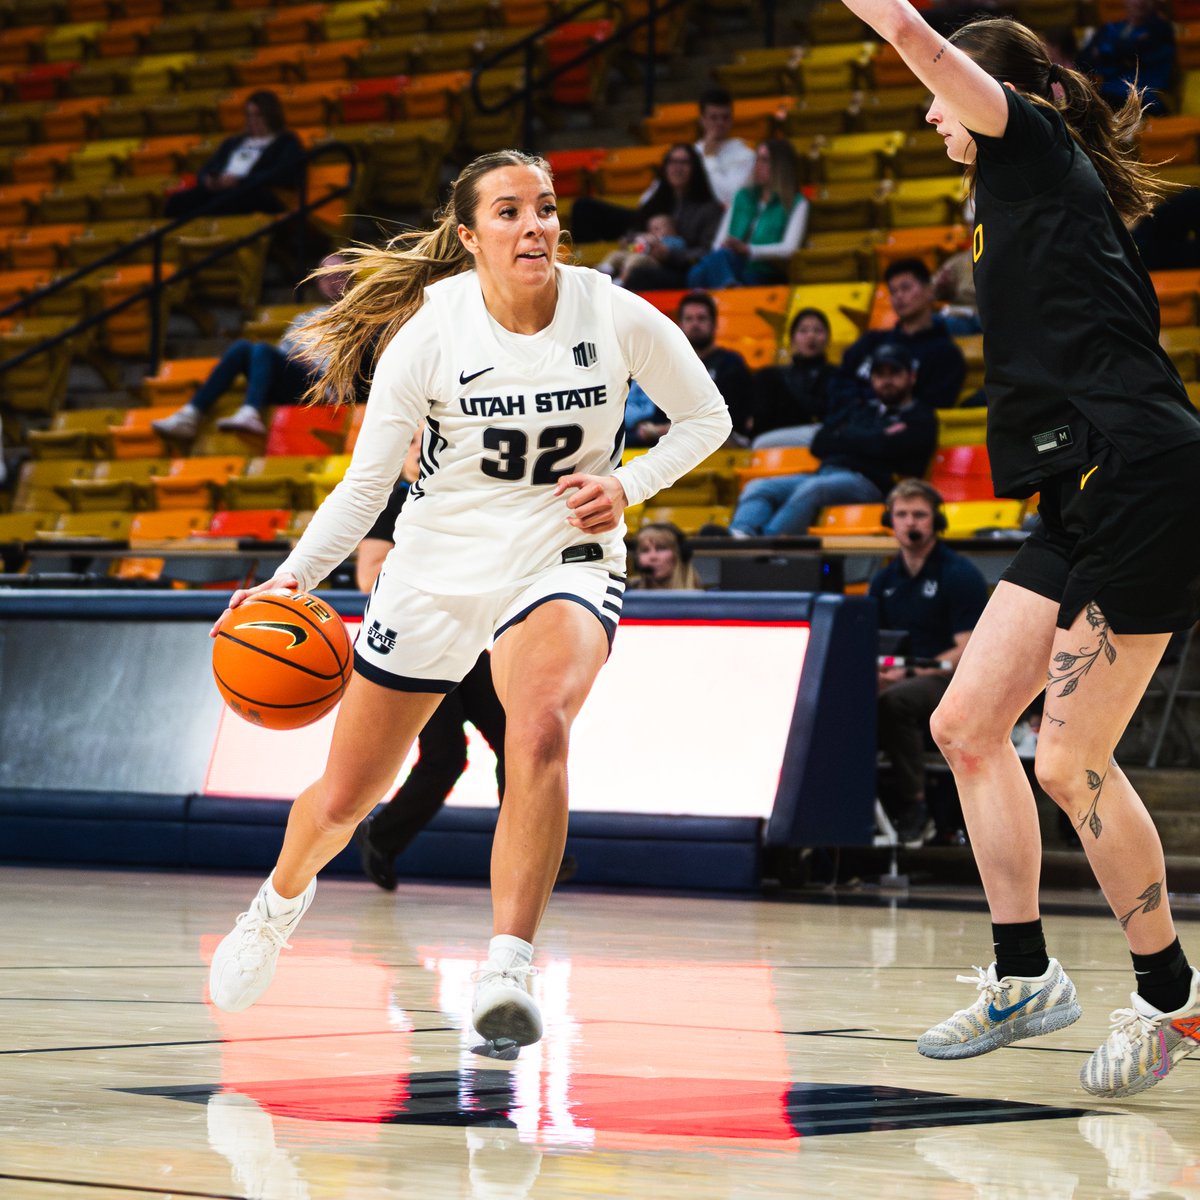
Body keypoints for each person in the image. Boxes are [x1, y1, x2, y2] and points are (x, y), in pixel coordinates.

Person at [204, 149, 732, 1051]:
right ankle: (277, 903)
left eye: (547, 209)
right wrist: (293, 577)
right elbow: (367, 486)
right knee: (345, 796)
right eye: (510, 212)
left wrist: (630, 486)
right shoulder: (431, 332)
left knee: (539, 730)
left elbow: (707, 417)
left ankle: (506, 967)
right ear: (470, 235)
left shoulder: (609, 309)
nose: (535, 226)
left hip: (561, 554)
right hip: (438, 568)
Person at [837, 0, 1200, 1097]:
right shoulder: (1014, 189)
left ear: (986, 97)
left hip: (1142, 475)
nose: (932, 120)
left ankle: (1173, 1002)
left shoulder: (1032, 147)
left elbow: (916, 35)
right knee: (964, 722)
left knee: (1069, 760)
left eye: (939, 103)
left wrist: (894, 20)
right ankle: (1023, 974)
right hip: (1077, 490)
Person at [352, 466, 507, 892]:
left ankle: (530, 843)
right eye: (415, 441)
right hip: (412, 643)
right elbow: (369, 575)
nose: (425, 448)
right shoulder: (395, 504)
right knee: (445, 756)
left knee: (520, 740)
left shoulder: (468, 497)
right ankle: (380, 835)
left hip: (465, 639)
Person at [871, 480, 989, 845]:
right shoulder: (884, 579)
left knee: (895, 702)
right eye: (902, 514)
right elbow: (873, 639)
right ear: (889, 520)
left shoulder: (958, 574)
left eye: (919, 515)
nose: (910, 523)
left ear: (935, 520)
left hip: (950, 677)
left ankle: (916, 806)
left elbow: (968, 646)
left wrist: (913, 669)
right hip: (899, 674)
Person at [727, 342, 936, 536]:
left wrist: (848, 437)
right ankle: (739, 536)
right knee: (759, 486)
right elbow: (820, 443)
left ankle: (766, 545)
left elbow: (894, 450)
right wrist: (875, 437)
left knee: (813, 489)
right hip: (826, 473)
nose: (887, 380)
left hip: (871, 483)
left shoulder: (921, 416)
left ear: (912, 376)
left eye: (895, 373)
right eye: (880, 374)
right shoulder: (860, 408)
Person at [152, 252, 353, 441]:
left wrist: (311, 364)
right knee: (242, 348)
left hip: (325, 390)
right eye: (326, 276)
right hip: (293, 383)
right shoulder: (304, 319)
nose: (333, 281)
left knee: (262, 350)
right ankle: (191, 414)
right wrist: (297, 359)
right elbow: (282, 355)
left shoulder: (360, 319)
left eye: (340, 275)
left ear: (351, 279)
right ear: (318, 282)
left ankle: (250, 411)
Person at [841, 258, 967, 410]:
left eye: (906, 288)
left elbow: (931, 408)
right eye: (893, 291)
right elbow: (839, 381)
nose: (899, 296)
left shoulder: (946, 354)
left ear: (929, 290)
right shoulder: (871, 341)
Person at [569, 142, 722, 263]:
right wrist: (637, 241)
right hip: (644, 252)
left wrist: (670, 254)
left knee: (639, 273)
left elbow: (708, 251)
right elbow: (632, 235)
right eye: (672, 162)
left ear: (695, 169)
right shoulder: (658, 199)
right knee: (583, 207)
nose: (677, 168)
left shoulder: (707, 208)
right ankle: (583, 261)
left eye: (684, 163)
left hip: (675, 266)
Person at [687, 139, 809, 289]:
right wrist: (729, 245)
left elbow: (789, 248)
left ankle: (728, 290)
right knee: (697, 271)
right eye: (756, 159)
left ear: (781, 166)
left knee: (702, 272)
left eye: (765, 160)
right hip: (732, 265)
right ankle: (730, 287)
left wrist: (748, 250)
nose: (758, 166)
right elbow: (717, 245)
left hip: (765, 272)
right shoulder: (741, 197)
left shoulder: (797, 202)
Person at [164, 90, 305, 219]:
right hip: (224, 187)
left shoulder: (286, 141)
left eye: (258, 115)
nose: (253, 121)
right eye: (249, 115)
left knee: (224, 201)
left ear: (272, 116)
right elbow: (207, 168)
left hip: (260, 192)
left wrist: (240, 180)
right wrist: (208, 179)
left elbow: (282, 173)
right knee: (178, 201)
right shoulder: (234, 142)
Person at [750, 307, 837, 447]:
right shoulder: (774, 375)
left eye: (818, 330)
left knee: (760, 444)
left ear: (828, 338)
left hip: (821, 432)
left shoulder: (837, 373)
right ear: (792, 338)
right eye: (803, 331)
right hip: (781, 433)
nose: (811, 336)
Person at [1078, 0, 1174, 116]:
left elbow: (1132, 52)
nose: (1140, 3)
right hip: (1108, 97)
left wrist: (1104, 52)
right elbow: (1083, 61)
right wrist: (1120, 56)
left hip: (1146, 100)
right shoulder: (1109, 28)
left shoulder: (1161, 29)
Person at [694, 86, 757, 207]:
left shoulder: (745, 154)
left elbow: (729, 197)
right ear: (702, 120)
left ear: (732, 119)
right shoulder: (690, 152)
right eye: (713, 117)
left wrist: (709, 158)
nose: (720, 123)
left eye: (725, 117)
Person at [595, 213, 688, 287]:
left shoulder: (674, 240)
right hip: (642, 257)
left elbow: (669, 253)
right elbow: (634, 249)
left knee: (636, 259)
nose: (653, 231)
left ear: (671, 229)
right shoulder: (648, 238)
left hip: (656, 264)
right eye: (650, 229)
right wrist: (628, 245)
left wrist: (656, 243)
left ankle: (621, 279)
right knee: (617, 254)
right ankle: (606, 268)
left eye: (657, 228)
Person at [628, 522, 701, 590]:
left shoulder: (705, 601)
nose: (653, 556)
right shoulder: (624, 594)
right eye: (645, 550)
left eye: (661, 548)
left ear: (680, 555)